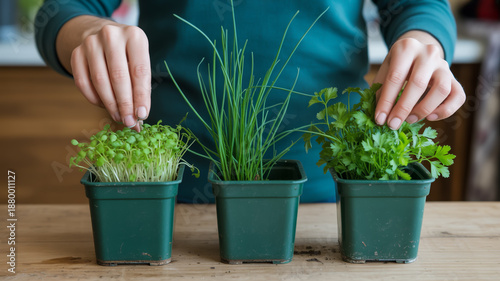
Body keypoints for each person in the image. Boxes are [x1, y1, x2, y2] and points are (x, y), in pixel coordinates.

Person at [35, 0, 465, 203]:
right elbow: (60, 10)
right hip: (168, 195)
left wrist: (422, 40)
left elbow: (417, 5)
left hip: (333, 196)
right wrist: (85, 30)